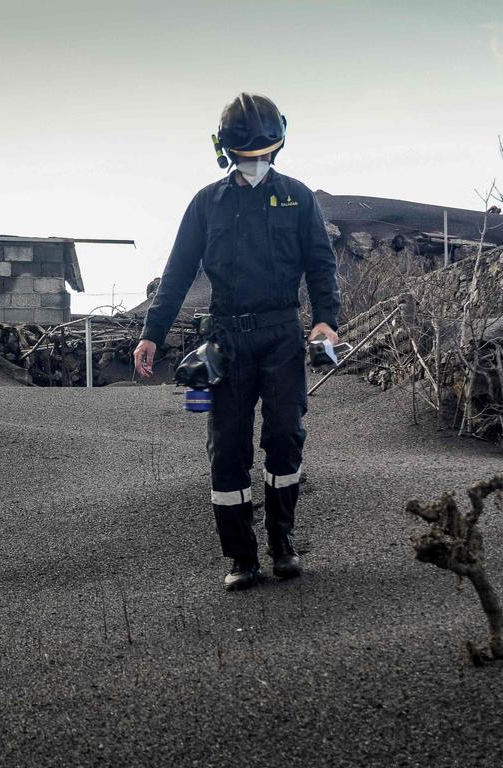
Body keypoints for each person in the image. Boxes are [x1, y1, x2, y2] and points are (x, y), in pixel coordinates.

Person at [132, 93, 341, 592]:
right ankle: (241, 558)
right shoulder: (206, 203)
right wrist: (151, 335)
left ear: (278, 145)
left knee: (285, 438)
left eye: (262, 152)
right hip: (226, 339)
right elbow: (177, 273)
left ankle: (282, 544)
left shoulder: (298, 197)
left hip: (283, 336)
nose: (254, 163)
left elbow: (321, 265)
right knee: (227, 450)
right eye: (246, 155)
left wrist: (326, 322)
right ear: (225, 150)